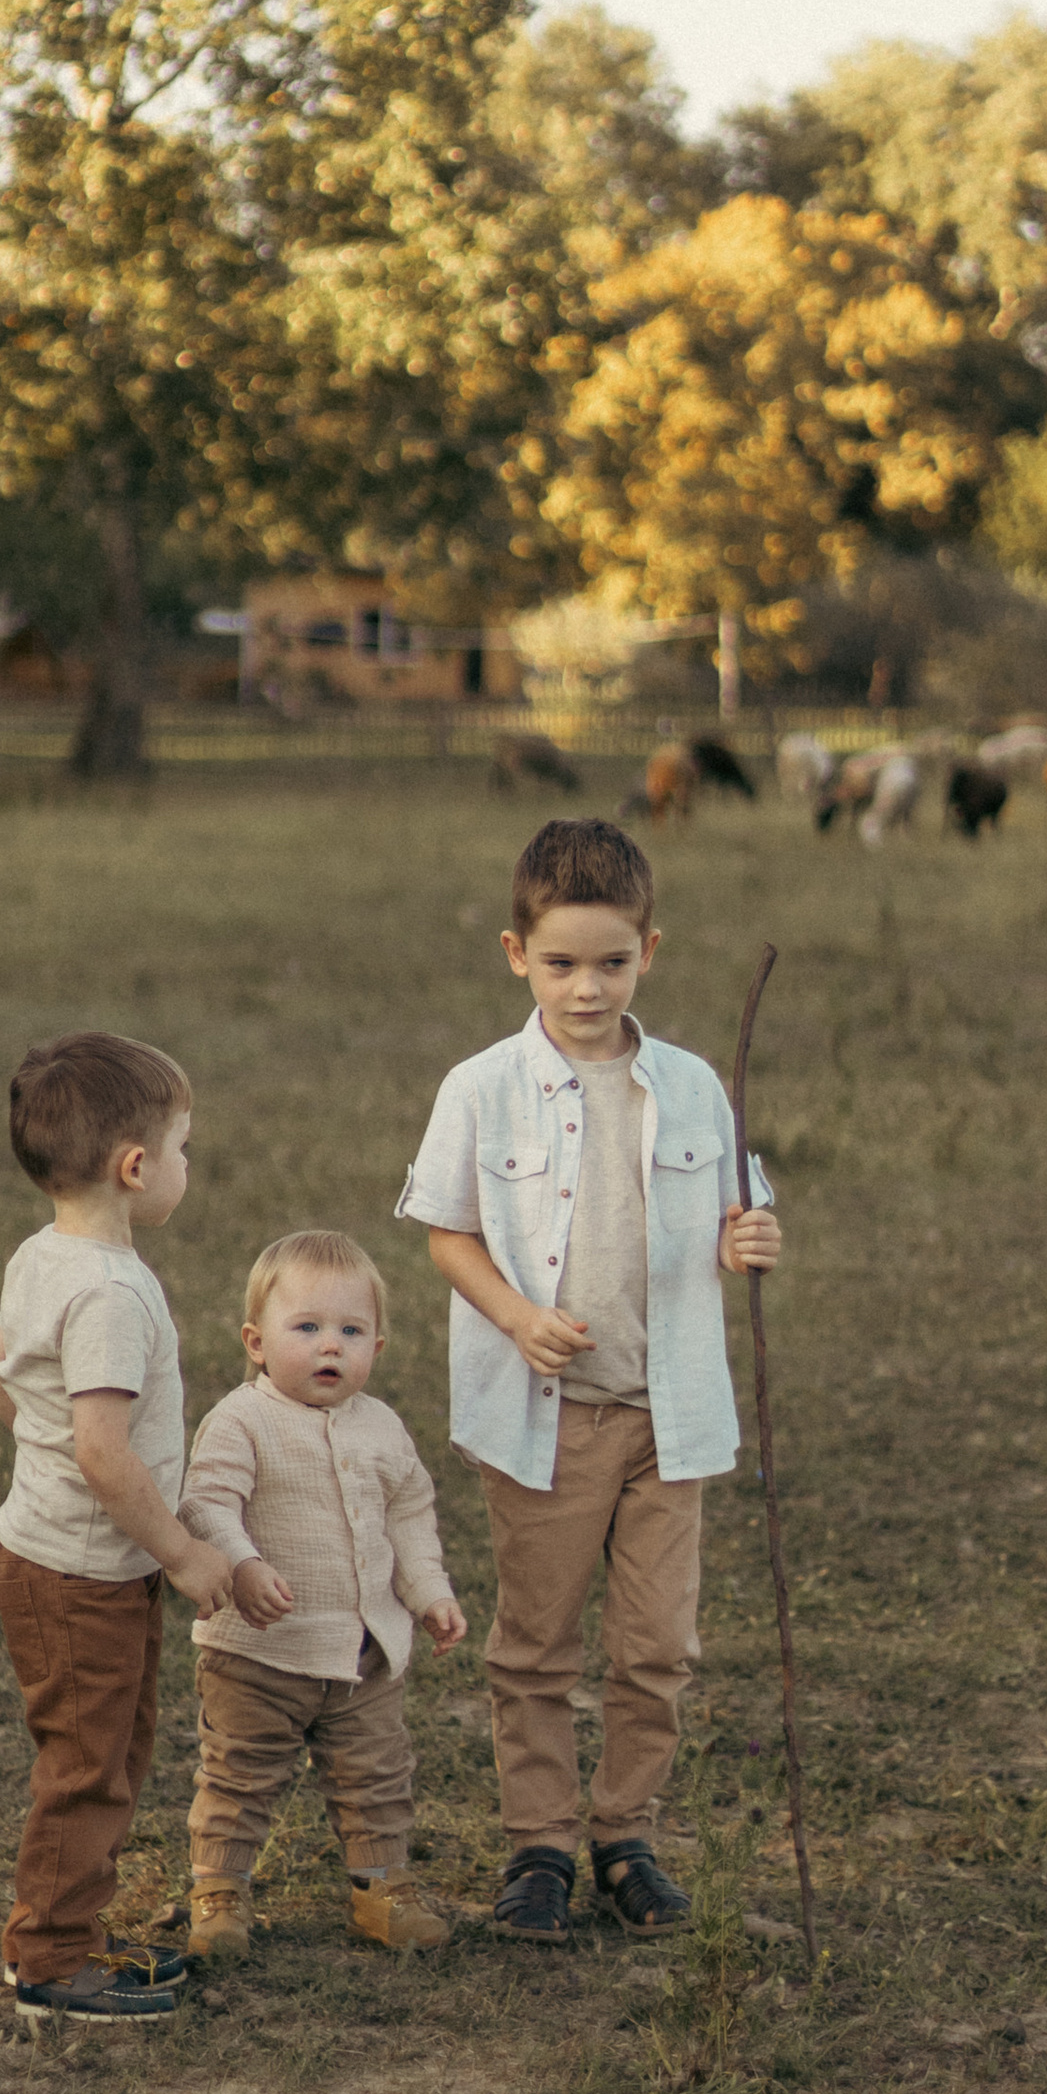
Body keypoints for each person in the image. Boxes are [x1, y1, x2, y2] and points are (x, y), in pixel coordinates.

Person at [395, 817, 782, 1943]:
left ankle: (625, 1834)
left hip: (671, 1410)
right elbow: (446, 1233)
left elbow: (735, 1219)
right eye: (561, 963)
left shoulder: (694, 1086)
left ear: (649, 953)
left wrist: (749, 1242)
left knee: (658, 1642)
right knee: (536, 1643)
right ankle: (539, 1848)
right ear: (517, 954)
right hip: (546, 1417)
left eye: (611, 962)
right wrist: (517, 1319)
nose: (586, 987)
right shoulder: (481, 1088)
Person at [0, 1032, 235, 2028]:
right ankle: (49, 1958)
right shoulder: (114, 1294)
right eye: (181, 1148)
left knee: (112, 1755)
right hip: (80, 1575)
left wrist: (49, 1460)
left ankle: (74, 1930)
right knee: (88, 1768)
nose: (185, 1167)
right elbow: (101, 1451)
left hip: (64, 1558)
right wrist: (181, 1550)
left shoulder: (43, 1256)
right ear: (136, 1168)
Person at [179, 1231, 468, 1964]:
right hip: (259, 1656)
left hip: (362, 1652)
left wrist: (428, 1592)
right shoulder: (242, 1420)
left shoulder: (383, 1428)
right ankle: (220, 1892)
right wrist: (241, 1564)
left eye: (350, 1331)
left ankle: (381, 1888)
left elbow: (409, 1515)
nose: (329, 1347)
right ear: (256, 1340)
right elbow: (208, 1504)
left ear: (379, 1345)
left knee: (376, 1773)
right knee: (240, 1774)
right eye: (305, 1329)